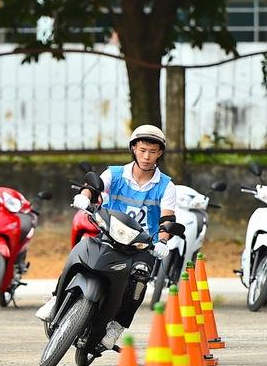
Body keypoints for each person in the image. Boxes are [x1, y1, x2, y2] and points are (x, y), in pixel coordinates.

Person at [38, 125, 176, 349]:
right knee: (79, 252)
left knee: (140, 279)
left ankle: (118, 326)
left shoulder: (166, 185)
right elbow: (92, 188)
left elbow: (167, 219)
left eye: (152, 151)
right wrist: (83, 197)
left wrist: (162, 241)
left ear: (160, 153)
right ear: (133, 149)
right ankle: (56, 298)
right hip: (109, 234)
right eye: (142, 150)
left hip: (141, 245)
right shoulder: (114, 173)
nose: (147, 156)